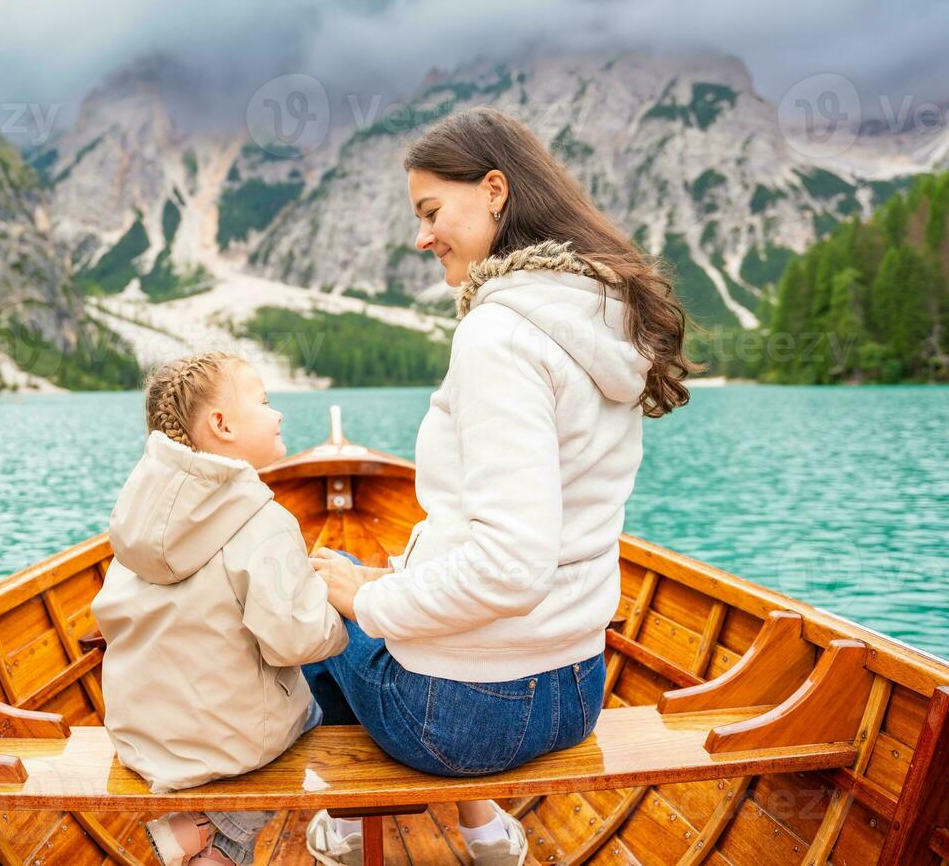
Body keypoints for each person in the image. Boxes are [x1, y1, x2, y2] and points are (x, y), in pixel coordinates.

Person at [302, 107, 698, 866]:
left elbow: (511, 564)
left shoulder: (500, 333)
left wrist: (367, 597)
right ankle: (486, 833)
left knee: (316, 610)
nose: (422, 237)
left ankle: (348, 829)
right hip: (576, 690)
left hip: (466, 717)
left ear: (493, 190)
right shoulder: (598, 315)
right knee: (364, 601)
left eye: (430, 212)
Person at [90, 352, 348, 866]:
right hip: (227, 745)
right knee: (323, 706)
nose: (278, 414)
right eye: (265, 401)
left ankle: (202, 841)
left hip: (141, 740)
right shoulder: (262, 520)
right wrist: (339, 610)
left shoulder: (135, 523)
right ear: (222, 425)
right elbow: (296, 641)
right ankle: (213, 829)